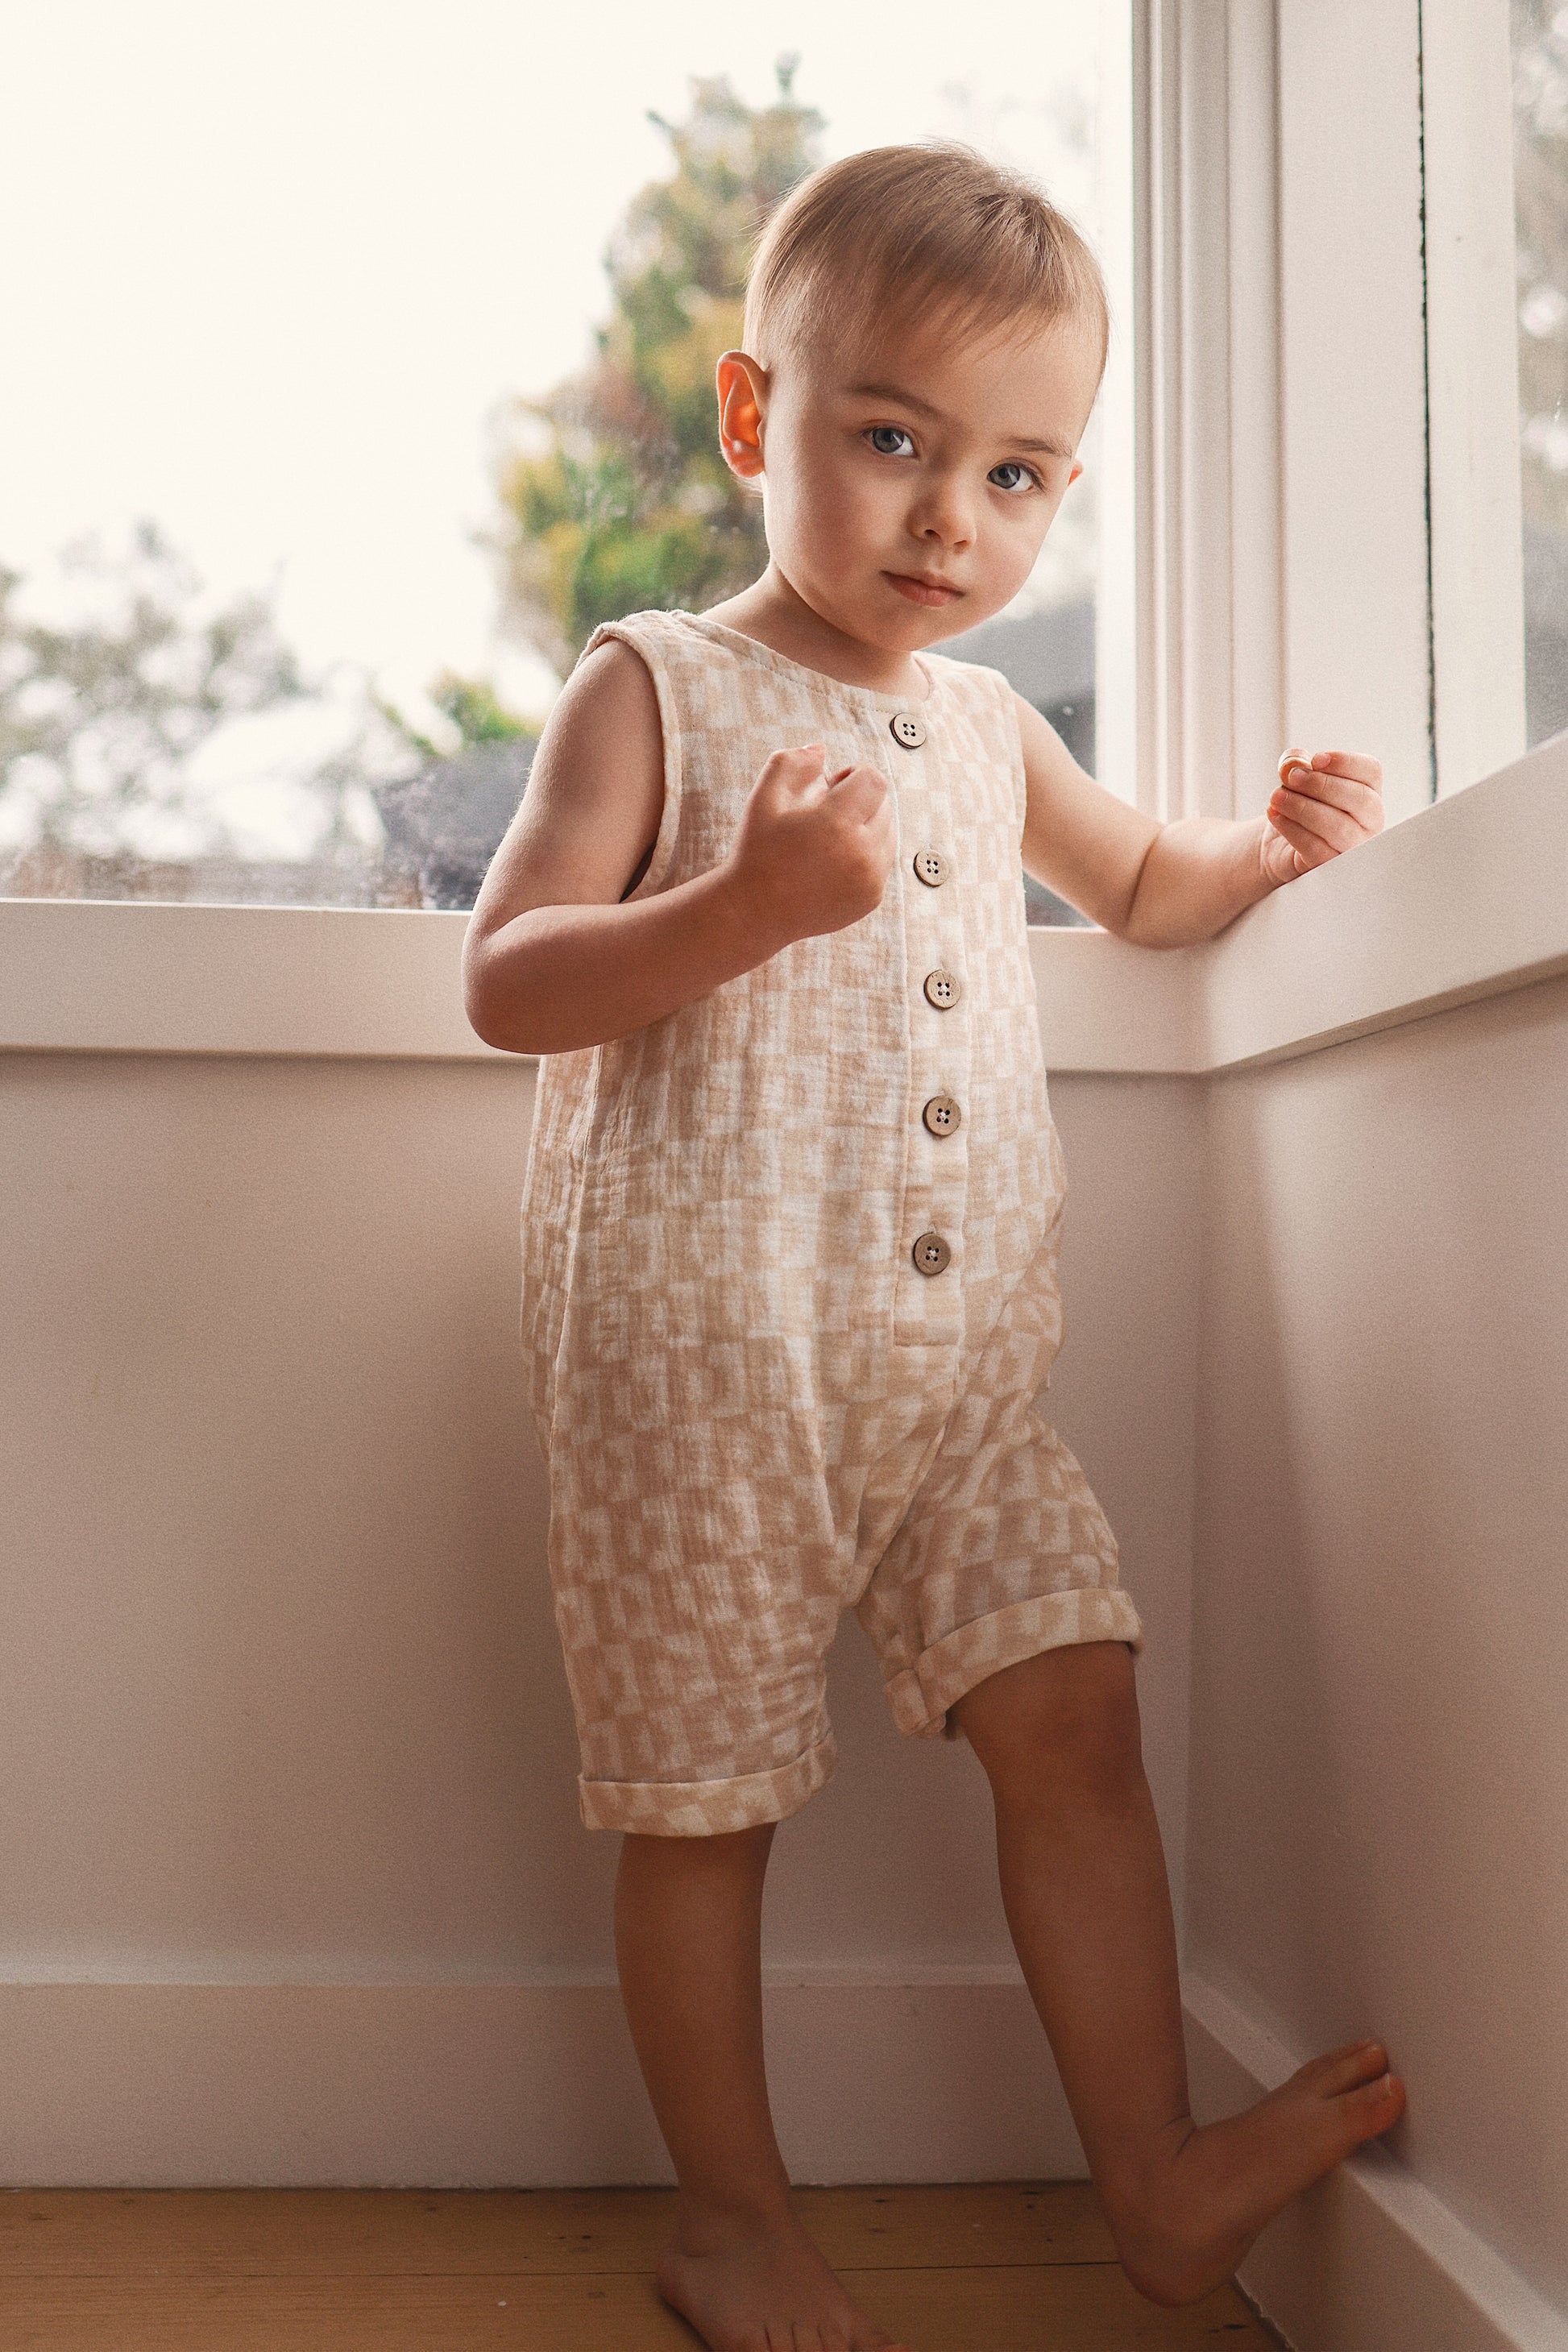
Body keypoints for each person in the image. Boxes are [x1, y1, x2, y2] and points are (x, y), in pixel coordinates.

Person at [463, 143, 1404, 2352]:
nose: (945, 520)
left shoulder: (984, 725)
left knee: (1072, 1703)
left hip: (957, 1362)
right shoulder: (661, 689)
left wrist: (1265, 849)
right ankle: (728, 2211)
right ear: (747, 418)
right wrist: (737, 913)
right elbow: (510, 978)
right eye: (889, 439)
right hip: (697, 1360)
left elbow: (1143, 890)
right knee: (706, 1798)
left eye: (1016, 475)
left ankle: (1156, 2186)